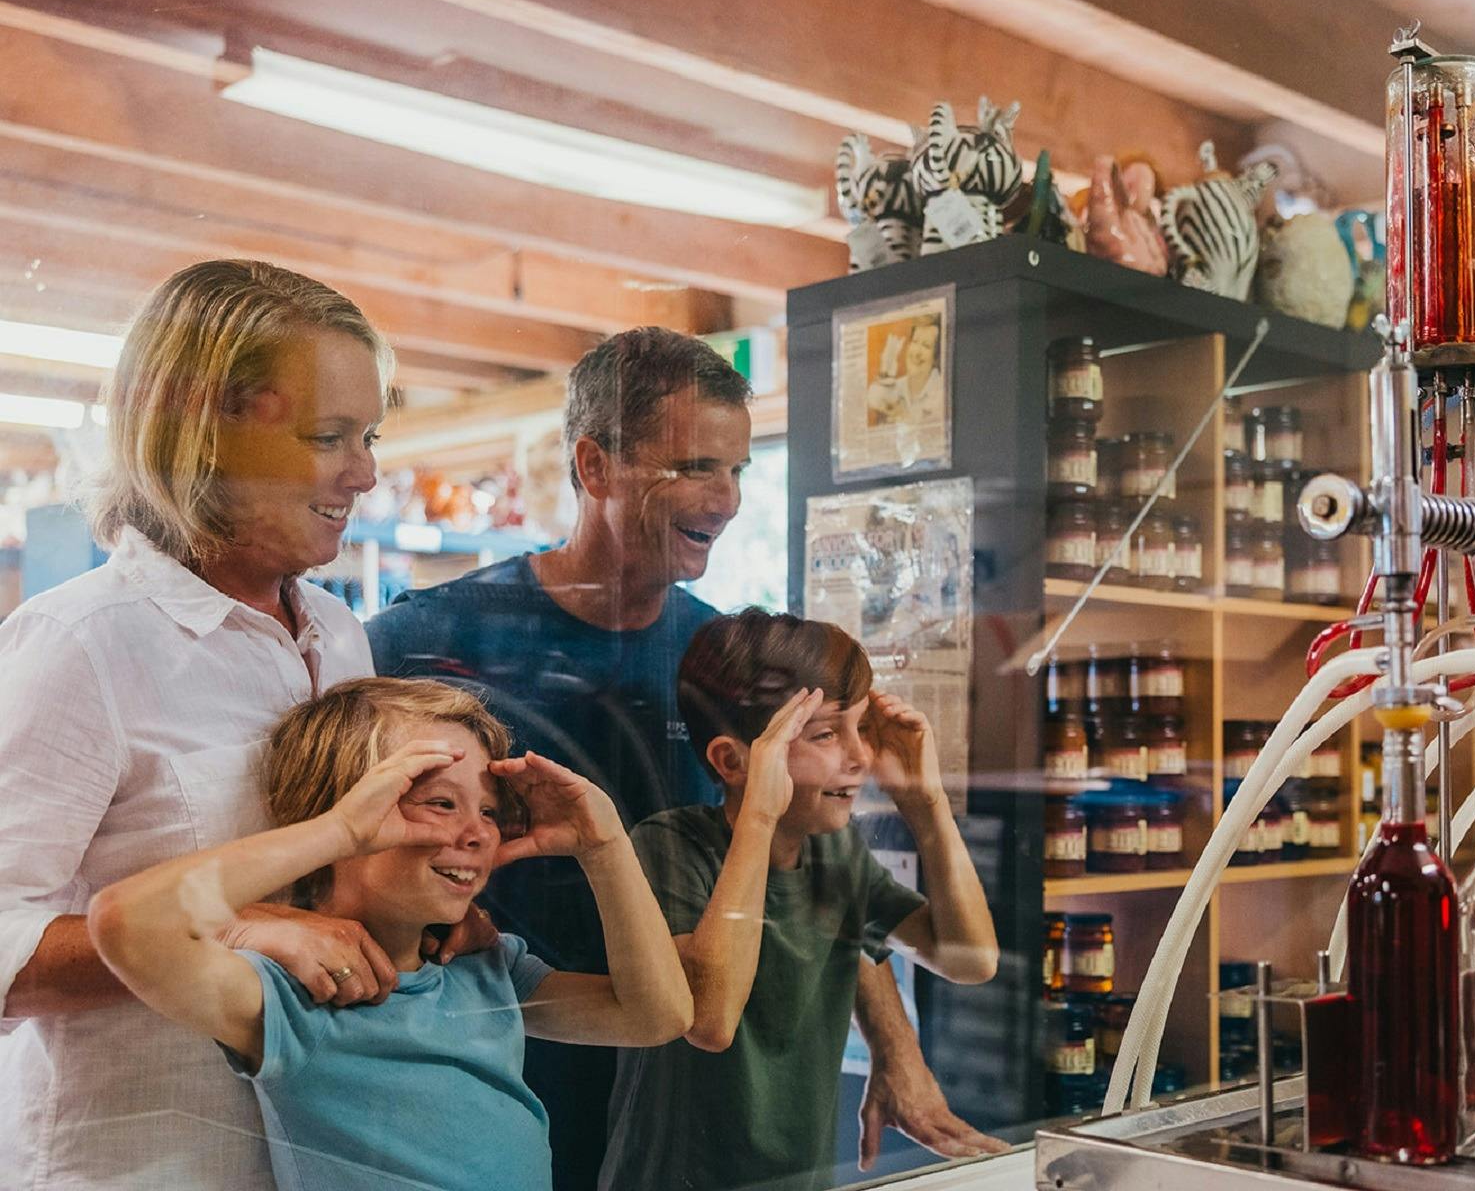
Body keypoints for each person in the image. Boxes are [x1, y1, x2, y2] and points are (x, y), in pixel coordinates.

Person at [367, 326, 1003, 1188]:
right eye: (696, 466)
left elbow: (804, 876)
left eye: (738, 469)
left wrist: (898, 1050)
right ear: (594, 468)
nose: (728, 497)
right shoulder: (428, 638)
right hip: (502, 1069)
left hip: (692, 1092)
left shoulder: (726, 663)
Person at [0, 259, 492, 1190]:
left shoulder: (339, 634)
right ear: (204, 429)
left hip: (330, 1156)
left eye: (370, 435)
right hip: (142, 1163)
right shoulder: (81, 643)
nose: (367, 473)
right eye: (328, 436)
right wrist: (233, 929)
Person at [87, 677, 692, 1191]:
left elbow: (655, 1016)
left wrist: (605, 846)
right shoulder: (297, 999)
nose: (479, 833)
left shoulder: (484, 968)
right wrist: (338, 832)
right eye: (438, 803)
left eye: (488, 809)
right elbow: (126, 923)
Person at [600, 609, 998, 1191]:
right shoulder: (670, 846)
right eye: (826, 733)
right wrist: (759, 812)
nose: (860, 757)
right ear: (733, 762)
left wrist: (927, 805)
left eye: (861, 728)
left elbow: (970, 959)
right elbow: (709, 1020)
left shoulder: (836, 853)